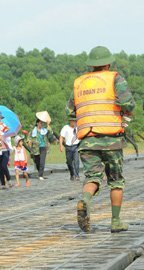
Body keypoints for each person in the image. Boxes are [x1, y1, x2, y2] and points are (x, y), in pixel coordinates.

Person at [67, 46, 135, 233]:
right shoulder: (115, 78)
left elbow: (70, 110)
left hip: (87, 140)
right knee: (116, 181)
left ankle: (85, 200)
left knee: (93, 177)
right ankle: (115, 221)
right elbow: (129, 103)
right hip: (111, 138)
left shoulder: (79, 83)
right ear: (107, 63)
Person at [25, 116, 55, 181]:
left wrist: (48, 125)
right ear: (37, 123)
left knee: (42, 161)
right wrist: (29, 142)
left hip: (43, 147)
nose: (41, 124)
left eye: (42, 123)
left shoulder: (45, 130)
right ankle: (40, 173)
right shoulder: (33, 131)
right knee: (37, 161)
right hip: (35, 148)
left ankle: (40, 175)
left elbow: (50, 134)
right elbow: (28, 138)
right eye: (40, 123)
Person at [0, 110, 12, 188]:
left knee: (4, 165)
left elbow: (8, 135)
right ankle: (3, 183)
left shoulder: (5, 126)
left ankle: (9, 179)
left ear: (0, 118)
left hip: (5, 149)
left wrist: (3, 135)